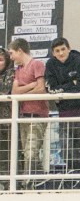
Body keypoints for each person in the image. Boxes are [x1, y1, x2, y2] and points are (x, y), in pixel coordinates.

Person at [44, 37, 80, 172]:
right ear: (53, 53)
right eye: (57, 51)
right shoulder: (50, 65)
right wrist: (72, 83)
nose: (61, 53)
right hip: (64, 113)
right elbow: (52, 88)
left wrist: (63, 88)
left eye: (63, 49)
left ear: (69, 48)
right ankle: (74, 176)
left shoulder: (79, 61)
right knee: (66, 148)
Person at [8, 38, 49, 178]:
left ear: (20, 51)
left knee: (31, 151)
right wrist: (31, 86)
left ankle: (31, 181)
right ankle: (36, 180)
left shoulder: (36, 64)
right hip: (23, 115)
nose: (11, 57)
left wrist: (23, 92)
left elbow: (41, 88)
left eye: (12, 53)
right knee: (27, 152)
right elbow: (14, 92)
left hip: (37, 114)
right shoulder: (18, 69)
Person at [0, 46, 14, 186]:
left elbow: (5, 91)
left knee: (8, 155)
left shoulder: (11, 73)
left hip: (8, 122)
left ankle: (8, 184)